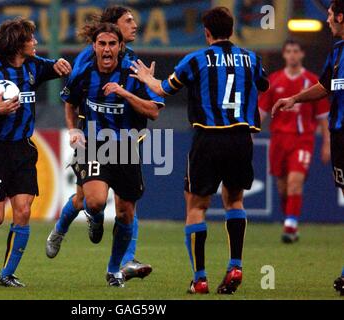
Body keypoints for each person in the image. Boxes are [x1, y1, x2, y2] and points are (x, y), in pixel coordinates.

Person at [130, 7, 269, 294]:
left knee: (196, 207)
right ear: (231, 30)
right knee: (235, 202)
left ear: (206, 32)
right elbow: (263, 84)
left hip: (208, 139)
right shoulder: (252, 59)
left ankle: (200, 278)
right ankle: (235, 265)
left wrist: (145, 79)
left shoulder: (197, 60)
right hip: (242, 138)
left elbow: (164, 89)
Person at [0, 17, 71, 287]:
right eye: (31, 38)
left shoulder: (34, 66)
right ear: (17, 43)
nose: (35, 42)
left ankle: (6, 274)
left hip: (23, 149)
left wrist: (63, 66)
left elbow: (56, 68)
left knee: (23, 210)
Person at [46, 6, 153, 281]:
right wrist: (74, 130)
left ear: (118, 45)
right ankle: (63, 229)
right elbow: (69, 99)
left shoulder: (134, 66)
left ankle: (117, 267)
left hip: (127, 144)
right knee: (90, 201)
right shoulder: (86, 64)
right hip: (94, 142)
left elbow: (153, 109)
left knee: (126, 210)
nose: (134, 25)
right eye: (128, 21)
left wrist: (136, 89)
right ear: (99, 41)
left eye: (112, 44)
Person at [272, 0, 344, 297]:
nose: (326, 19)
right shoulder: (337, 51)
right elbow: (325, 87)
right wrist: (295, 99)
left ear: (341, 16)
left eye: (329, 14)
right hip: (340, 135)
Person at [259, 40, 330, 243]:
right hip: (279, 140)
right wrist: (248, 135)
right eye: (288, 51)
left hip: (303, 139)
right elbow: (261, 112)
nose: (292, 55)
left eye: (295, 51)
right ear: (283, 55)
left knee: (295, 182)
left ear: (301, 55)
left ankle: (290, 226)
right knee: (282, 187)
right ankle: (290, 220)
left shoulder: (313, 82)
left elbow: (323, 118)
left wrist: (326, 143)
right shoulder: (274, 81)